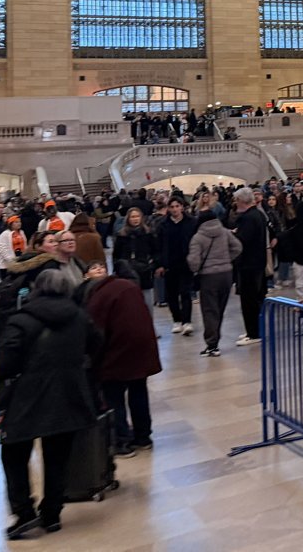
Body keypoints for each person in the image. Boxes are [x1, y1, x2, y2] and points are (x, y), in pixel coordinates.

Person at [0, 269, 101, 540]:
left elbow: (5, 365)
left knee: (14, 455)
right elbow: (97, 345)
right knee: (57, 457)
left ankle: (24, 513)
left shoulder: (21, 319)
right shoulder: (79, 316)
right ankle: (52, 514)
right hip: (68, 394)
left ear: (37, 288)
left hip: (27, 397)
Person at [83, 260, 162, 456]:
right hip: (141, 349)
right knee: (138, 391)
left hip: (118, 351)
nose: (98, 269)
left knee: (113, 396)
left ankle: (122, 441)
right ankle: (143, 437)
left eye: (100, 267)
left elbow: (96, 333)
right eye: (94, 267)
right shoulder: (126, 286)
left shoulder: (98, 296)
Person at [187, 208, 243, 357]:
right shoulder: (225, 232)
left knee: (210, 310)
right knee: (220, 308)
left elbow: (193, 262)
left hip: (208, 277)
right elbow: (238, 247)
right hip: (226, 275)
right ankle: (215, 340)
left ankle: (212, 345)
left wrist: (197, 268)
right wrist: (226, 260)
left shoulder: (198, 238)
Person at [229, 187, 269, 346]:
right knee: (254, 299)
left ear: (242, 201)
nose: (235, 203)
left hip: (249, 264)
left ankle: (253, 333)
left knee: (249, 300)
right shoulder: (257, 214)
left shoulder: (248, 218)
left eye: (237, 200)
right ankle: (253, 330)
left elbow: (242, 240)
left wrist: (233, 234)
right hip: (257, 262)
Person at [156, 195, 198, 334]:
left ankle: (187, 321)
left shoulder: (191, 222)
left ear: (182, 207)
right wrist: (160, 264)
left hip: (186, 263)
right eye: (172, 207)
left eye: (177, 206)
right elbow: (159, 245)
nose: (175, 209)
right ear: (168, 208)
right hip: (169, 264)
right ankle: (177, 320)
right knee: (172, 294)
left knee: (185, 292)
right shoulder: (163, 224)